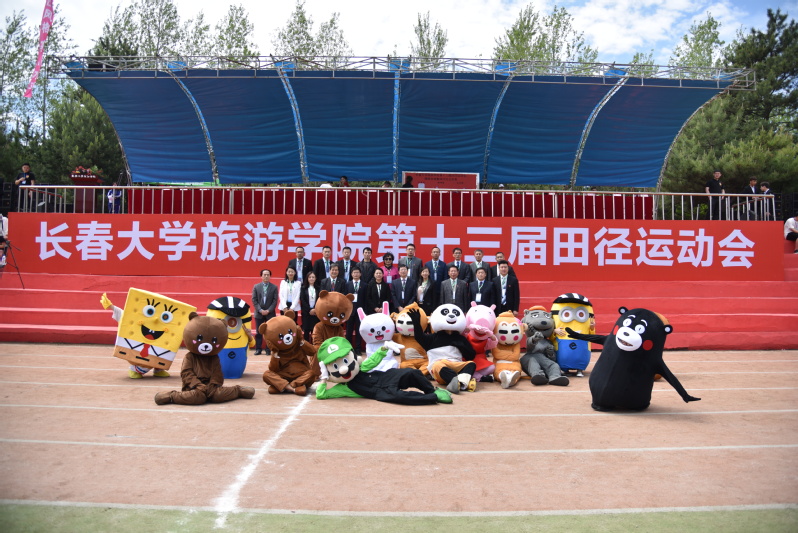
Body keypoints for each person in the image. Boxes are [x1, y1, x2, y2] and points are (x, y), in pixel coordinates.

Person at [252, 269, 278, 355]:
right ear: (261, 276)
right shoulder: (256, 286)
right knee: (258, 332)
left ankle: (268, 349)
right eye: (264, 275)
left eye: (268, 275)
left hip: (270, 313)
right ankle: (258, 349)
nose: (266, 276)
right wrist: (260, 310)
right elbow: (254, 300)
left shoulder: (274, 287)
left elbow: (275, 301)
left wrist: (268, 310)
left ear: (270, 276)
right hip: (259, 313)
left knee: (269, 332)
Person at [346, 266, 367, 355]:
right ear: (351, 274)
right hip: (350, 311)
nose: (356, 274)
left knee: (359, 330)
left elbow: (366, 299)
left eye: (357, 272)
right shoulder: (348, 284)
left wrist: (364, 312)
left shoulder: (365, 285)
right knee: (349, 331)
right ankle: (348, 348)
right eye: (354, 272)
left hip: (360, 311)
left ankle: (358, 348)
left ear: (360, 274)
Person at [300, 272, 320, 340]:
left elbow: (319, 299)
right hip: (306, 313)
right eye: (310, 277)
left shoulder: (318, 288)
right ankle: (306, 345)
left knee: (314, 331)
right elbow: (303, 300)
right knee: (306, 331)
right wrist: (309, 310)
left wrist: (314, 309)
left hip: (315, 313)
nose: (311, 278)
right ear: (307, 278)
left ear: (315, 278)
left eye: (313, 277)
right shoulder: (303, 288)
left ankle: (314, 345)